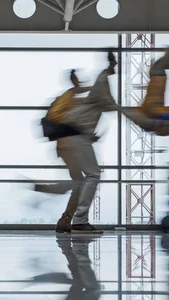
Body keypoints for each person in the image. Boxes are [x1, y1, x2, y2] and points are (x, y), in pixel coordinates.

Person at [34, 52, 118, 234]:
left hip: (63, 144)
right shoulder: (70, 97)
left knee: (79, 182)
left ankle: (66, 220)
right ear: (73, 81)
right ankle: (76, 218)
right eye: (78, 80)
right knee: (88, 177)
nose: (82, 84)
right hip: (68, 143)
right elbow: (72, 118)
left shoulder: (67, 98)